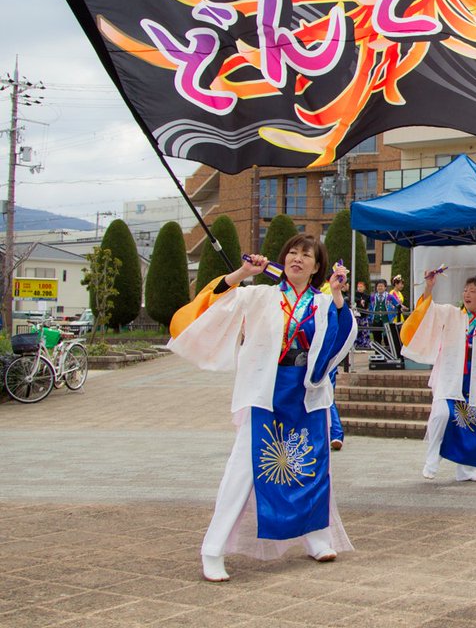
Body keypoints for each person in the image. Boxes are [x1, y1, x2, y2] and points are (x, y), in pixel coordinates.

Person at [168, 235, 356, 583]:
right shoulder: (259, 295)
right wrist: (242, 272)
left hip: (307, 392)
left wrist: (339, 295)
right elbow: (218, 301)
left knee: (311, 467)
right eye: (292, 253)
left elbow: (343, 337)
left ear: (317, 267)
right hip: (265, 390)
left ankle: (317, 538)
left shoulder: (323, 302)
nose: (297, 259)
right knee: (242, 469)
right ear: (283, 260)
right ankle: (213, 549)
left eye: (306, 255)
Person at [400, 272, 476, 482]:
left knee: (474, 422)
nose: (467, 294)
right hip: (451, 373)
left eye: (473, 291)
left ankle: (466, 470)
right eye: (465, 290)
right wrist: (429, 287)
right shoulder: (452, 314)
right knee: (441, 414)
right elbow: (427, 311)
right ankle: (432, 458)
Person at [386, 274, 407, 354]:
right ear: (396, 284)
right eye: (400, 283)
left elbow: (400, 303)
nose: (402, 285)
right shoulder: (392, 293)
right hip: (394, 315)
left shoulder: (399, 293)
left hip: (399, 314)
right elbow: (395, 304)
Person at [352, 281, 371, 349]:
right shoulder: (354, 295)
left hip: (364, 315)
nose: (359, 288)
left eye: (361, 287)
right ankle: (356, 344)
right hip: (357, 315)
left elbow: (369, 303)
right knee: (357, 331)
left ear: (364, 288)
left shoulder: (367, 296)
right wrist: (360, 301)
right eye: (358, 287)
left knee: (365, 331)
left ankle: (365, 344)